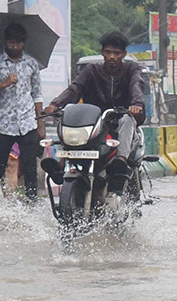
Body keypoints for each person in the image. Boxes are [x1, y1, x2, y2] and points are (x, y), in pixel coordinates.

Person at [43, 31, 145, 195]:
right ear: (102, 52)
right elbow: (75, 88)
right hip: (95, 123)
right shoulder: (92, 70)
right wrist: (56, 104)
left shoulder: (131, 70)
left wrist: (136, 104)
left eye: (116, 53)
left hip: (121, 121)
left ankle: (120, 162)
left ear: (124, 54)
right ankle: (61, 165)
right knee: (69, 116)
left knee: (126, 119)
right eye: (108, 52)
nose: (112, 56)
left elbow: (136, 87)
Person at [0, 21, 44, 212]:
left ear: (24, 43)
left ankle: (31, 204)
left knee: (30, 166)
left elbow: (37, 94)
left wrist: (40, 123)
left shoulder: (31, 64)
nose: (15, 47)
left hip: (27, 122)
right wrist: (4, 84)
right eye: (12, 43)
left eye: (19, 43)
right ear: (6, 42)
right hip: (3, 124)